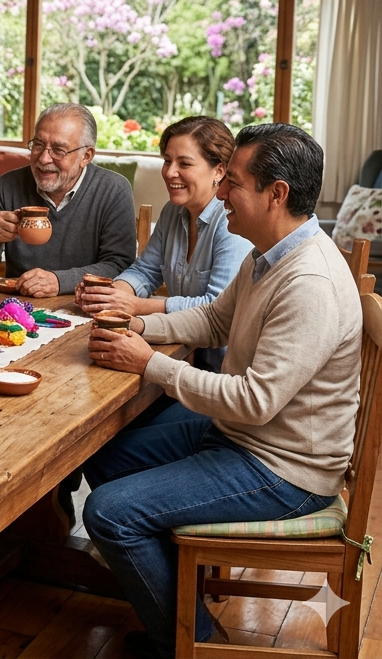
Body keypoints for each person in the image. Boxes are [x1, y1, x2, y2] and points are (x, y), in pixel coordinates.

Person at [82, 123, 360, 659]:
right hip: (246, 439)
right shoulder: (268, 253)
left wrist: (151, 366)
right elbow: (213, 320)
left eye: (233, 182)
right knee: (107, 456)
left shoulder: (310, 283)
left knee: (109, 512)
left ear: (276, 194)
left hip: (285, 469)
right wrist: (141, 329)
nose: (223, 193)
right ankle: (175, 597)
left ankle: (190, 642)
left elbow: (255, 400)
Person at [77, 116, 252, 373]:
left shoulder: (231, 221)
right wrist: (111, 294)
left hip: (218, 374)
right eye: (167, 161)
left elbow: (217, 308)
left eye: (184, 163)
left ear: (219, 170)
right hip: (179, 357)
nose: (170, 172)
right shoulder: (173, 210)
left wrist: (138, 306)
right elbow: (145, 271)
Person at [0, 102, 137, 296]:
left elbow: (119, 267)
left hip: (84, 306)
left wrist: (59, 282)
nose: (44, 159)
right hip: (17, 309)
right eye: (38, 145)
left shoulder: (113, 189)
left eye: (59, 150)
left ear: (86, 156)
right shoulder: (8, 184)